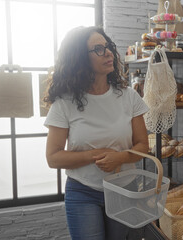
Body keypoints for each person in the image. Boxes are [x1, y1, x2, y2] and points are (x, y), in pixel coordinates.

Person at [43, 26, 149, 240]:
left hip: (124, 191)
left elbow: (143, 147)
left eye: (108, 46)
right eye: (98, 49)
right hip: (82, 192)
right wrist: (98, 154)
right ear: (79, 58)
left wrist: (119, 157)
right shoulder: (65, 102)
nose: (108, 52)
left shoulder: (129, 97)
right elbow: (53, 158)